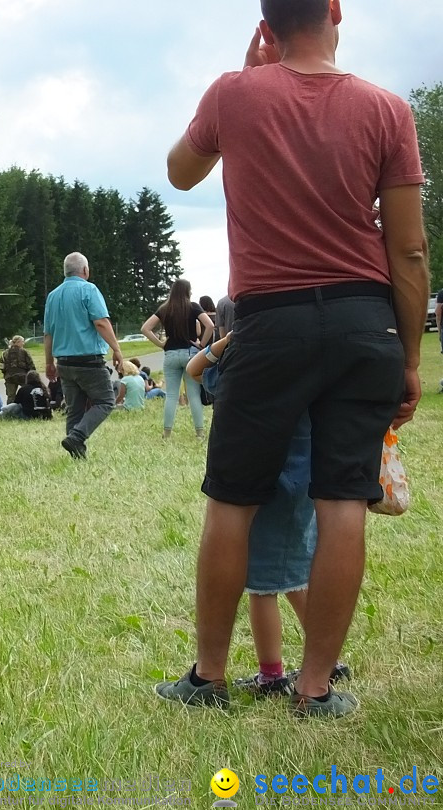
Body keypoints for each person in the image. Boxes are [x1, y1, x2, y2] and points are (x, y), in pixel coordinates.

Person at [156, 0, 428, 717]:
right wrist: (407, 357)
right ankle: (314, 689)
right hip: (364, 321)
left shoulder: (233, 94)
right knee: (343, 501)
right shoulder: (387, 110)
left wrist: (245, 80)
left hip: (270, 323)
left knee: (232, 499)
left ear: (266, 24)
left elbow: (180, 172)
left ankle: (209, 678)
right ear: (335, 11)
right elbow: (408, 250)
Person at [186, 336, 350, 698]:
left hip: (263, 491)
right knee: (294, 575)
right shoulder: (311, 377)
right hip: (304, 489)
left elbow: (194, 369)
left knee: (262, 588)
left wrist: (229, 341)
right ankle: (329, 660)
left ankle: (271, 675)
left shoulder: (243, 376)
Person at [43, 252, 124, 459]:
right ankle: (77, 437)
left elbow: (48, 334)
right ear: (85, 270)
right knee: (106, 401)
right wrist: (116, 349)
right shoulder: (89, 290)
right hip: (89, 361)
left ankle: (76, 453)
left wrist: (49, 362)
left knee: (74, 409)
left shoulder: (53, 296)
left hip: (64, 363)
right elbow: (101, 322)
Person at [141, 278, 213, 438]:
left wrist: (161, 344)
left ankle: (167, 432)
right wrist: (202, 344)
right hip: (190, 354)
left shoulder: (165, 308)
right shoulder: (193, 306)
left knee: (172, 395)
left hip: (171, 354)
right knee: (193, 394)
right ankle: (200, 432)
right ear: (187, 291)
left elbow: (145, 328)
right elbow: (209, 325)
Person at [0, 336, 36, 401]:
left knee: (11, 396)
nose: (23, 343)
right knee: (27, 393)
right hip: (23, 376)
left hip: (9, 377)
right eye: (22, 342)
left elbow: (2, 366)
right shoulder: (24, 352)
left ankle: (10, 407)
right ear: (17, 342)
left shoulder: (4, 353)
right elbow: (31, 365)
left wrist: (5, 374)